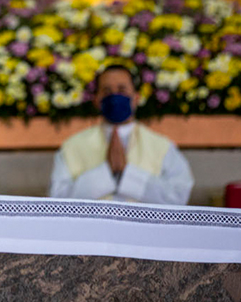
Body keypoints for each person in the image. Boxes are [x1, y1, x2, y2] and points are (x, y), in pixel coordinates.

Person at [49, 65, 193, 204]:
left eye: (122, 89)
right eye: (106, 91)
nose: (114, 96)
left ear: (136, 97)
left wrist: (128, 173)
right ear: (97, 100)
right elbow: (58, 198)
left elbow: (178, 196)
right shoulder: (72, 147)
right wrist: (105, 172)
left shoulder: (161, 146)